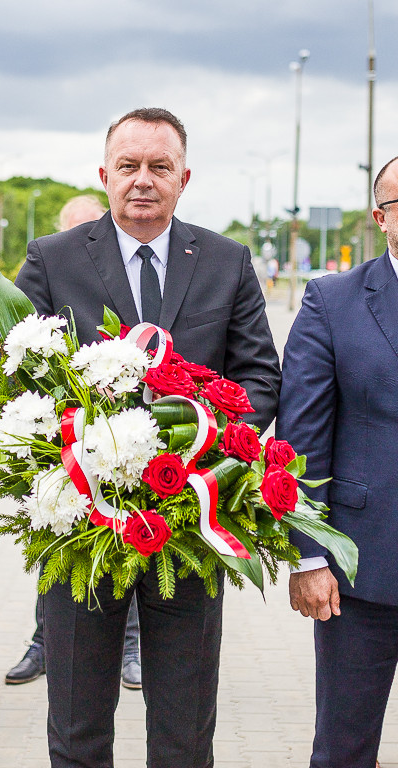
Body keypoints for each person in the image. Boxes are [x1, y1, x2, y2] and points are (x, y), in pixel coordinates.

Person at [16, 107, 281, 768]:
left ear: (183, 177)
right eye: (128, 166)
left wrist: (211, 452)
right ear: (104, 175)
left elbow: (258, 375)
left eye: (159, 167)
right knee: (77, 726)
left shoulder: (226, 261)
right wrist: (60, 454)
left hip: (189, 525)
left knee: (185, 730)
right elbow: (12, 367)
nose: (143, 180)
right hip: (81, 529)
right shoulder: (53, 259)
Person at [275, 156, 398, 768]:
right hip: (362, 570)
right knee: (346, 750)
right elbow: (301, 438)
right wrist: (309, 554)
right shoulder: (333, 300)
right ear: (380, 218)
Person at [6, 194, 143, 690]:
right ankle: (43, 642)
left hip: (129, 444)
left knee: (125, 545)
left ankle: (131, 649)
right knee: (60, 552)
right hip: (65, 446)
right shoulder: (53, 262)